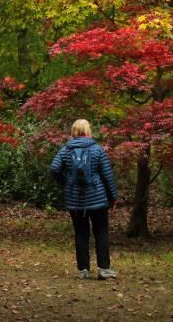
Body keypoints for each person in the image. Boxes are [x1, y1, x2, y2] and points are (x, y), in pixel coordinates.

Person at [50, 119, 120, 280]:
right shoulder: (97, 149)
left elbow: (54, 169)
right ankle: (103, 269)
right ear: (88, 131)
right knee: (101, 232)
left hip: (75, 200)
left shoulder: (65, 150)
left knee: (81, 233)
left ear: (73, 131)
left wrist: (66, 183)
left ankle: (83, 270)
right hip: (98, 199)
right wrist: (113, 197)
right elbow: (108, 175)